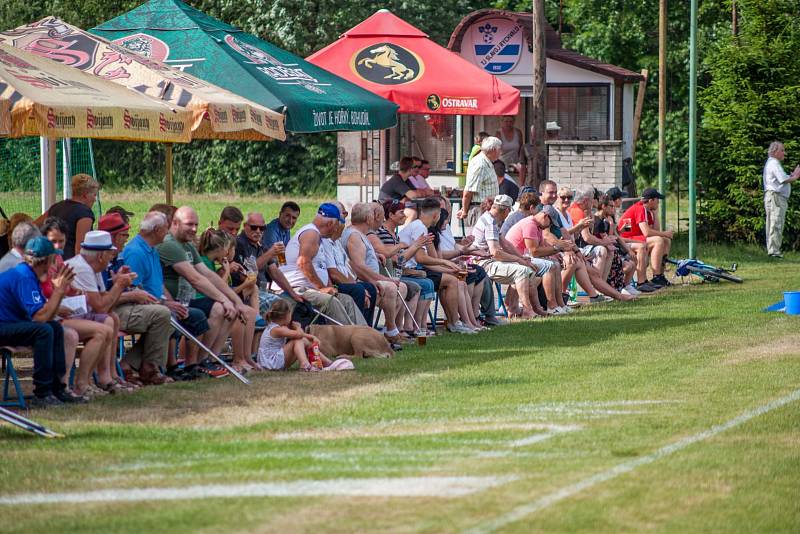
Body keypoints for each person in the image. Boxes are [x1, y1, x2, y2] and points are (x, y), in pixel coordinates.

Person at [158, 206, 250, 373]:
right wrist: (224, 300)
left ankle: (208, 360)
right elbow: (196, 279)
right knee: (218, 307)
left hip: (186, 300)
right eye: (189, 224)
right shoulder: (170, 244)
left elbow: (209, 275)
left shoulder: (187, 246)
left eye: (196, 225)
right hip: (170, 302)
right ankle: (198, 362)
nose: (194, 229)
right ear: (175, 223)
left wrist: (235, 301)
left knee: (228, 309)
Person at [121, 211, 209, 382]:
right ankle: (151, 368)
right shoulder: (135, 252)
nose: (168, 233)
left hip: (153, 304)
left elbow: (157, 284)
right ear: (156, 230)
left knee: (173, 315)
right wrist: (165, 304)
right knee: (165, 316)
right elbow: (134, 289)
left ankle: (130, 364)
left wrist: (169, 302)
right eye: (165, 229)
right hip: (133, 306)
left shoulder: (152, 250)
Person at [0, 237, 80, 406]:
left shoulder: (30, 274)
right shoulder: (24, 276)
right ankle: (42, 393)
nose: (54, 264)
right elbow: (40, 317)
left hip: (10, 324)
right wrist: (59, 290)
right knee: (44, 330)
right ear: (45, 260)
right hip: (3, 327)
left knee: (55, 327)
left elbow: (46, 315)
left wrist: (60, 291)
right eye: (53, 259)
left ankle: (57, 388)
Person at [66, 231, 142, 393]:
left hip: (79, 314)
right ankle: (83, 383)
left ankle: (106, 377)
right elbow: (101, 306)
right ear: (100, 255)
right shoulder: (82, 268)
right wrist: (119, 286)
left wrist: (117, 284)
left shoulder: (93, 268)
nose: (111, 258)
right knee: (104, 325)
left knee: (111, 318)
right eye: (110, 253)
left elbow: (105, 305)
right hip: (66, 316)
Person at [280, 203, 367, 326]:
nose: (337, 230)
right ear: (330, 224)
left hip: (310, 289)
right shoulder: (311, 233)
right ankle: (351, 339)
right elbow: (303, 262)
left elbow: (319, 267)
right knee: (331, 302)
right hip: (298, 288)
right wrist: (321, 288)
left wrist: (330, 287)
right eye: (338, 225)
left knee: (347, 300)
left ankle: (365, 336)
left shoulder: (317, 236)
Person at [399, 198, 473, 334]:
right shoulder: (420, 227)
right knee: (451, 280)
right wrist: (446, 263)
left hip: (414, 270)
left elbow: (428, 259)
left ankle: (457, 322)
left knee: (452, 279)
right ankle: (454, 322)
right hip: (407, 271)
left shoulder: (420, 226)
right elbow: (421, 259)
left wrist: (449, 266)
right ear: (436, 215)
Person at [344, 203, 409, 344]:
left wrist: (375, 254)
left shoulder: (360, 234)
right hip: (361, 282)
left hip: (367, 279)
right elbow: (358, 267)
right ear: (368, 218)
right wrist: (383, 278)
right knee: (392, 287)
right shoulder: (354, 236)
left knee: (402, 287)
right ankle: (391, 331)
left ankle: (389, 329)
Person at [471, 195, 543, 318]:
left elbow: (505, 243)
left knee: (525, 269)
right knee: (522, 271)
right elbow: (495, 252)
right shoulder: (490, 223)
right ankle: (527, 310)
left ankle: (516, 306)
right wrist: (518, 259)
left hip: (486, 261)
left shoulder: (490, 219)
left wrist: (521, 258)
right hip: (483, 263)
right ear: (506, 211)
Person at [370, 200, 434, 335]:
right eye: (401, 212)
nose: (405, 215)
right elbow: (396, 260)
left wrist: (414, 246)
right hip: (386, 275)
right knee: (418, 285)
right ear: (391, 215)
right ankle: (401, 328)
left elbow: (400, 261)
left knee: (421, 285)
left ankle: (406, 327)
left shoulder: (394, 235)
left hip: (396, 274)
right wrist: (416, 246)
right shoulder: (382, 233)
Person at [505, 208, 572, 314]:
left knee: (555, 264)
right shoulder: (530, 224)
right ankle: (552, 305)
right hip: (514, 259)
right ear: (545, 216)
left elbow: (541, 248)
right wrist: (557, 248)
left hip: (522, 257)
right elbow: (534, 251)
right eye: (550, 223)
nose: (549, 227)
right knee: (550, 266)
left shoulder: (537, 225)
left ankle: (560, 304)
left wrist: (556, 253)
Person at [320, 214, 377, 329]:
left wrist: (359, 283)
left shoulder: (337, 243)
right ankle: (356, 331)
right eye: (342, 227)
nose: (343, 230)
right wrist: (356, 286)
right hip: (335, 283)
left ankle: (368, 330)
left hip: (344, 280)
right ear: (336, 227)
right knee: (359, 290)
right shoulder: (326, 243)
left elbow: (348, 267)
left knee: (370, 288)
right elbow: (334, 273)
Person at [618, 188, 672, 290]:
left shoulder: (647, 211)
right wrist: (665, 233)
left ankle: (660, 274)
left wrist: (655, 214)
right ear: (651, 200)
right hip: (626, 240)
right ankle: (655, 277)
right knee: (659, 240)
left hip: (634, 238)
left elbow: (655, 230)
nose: (659, 202)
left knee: (665, 240)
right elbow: (647, 232)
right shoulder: (640, 208)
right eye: (657, 200)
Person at [258, 299, 332, 371]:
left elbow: (299, 335)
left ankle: (326, 362)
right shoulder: (277, 330)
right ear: (287, 315)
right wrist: (298, 327)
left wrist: (311, 337)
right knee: (297, 340)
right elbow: (299, 335)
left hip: (271, 361)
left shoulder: (278, 327)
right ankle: (305, 364)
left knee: (302, 340)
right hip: (271, 363)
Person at [37, 173, 99, 259]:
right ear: (85, 195)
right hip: (69, 265)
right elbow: (80, 249)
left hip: (50, 262)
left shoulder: (56, 207)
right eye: (94, 195)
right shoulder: (85, 214)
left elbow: (34, 226)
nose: (95, 199)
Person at [763, 141, 800, 258]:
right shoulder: (774, 163)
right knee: (776, 223)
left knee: (774, 222)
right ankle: (774, 252)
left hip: (775, 197)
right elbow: (782, 179)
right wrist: (795, 176)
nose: (784, 153)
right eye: (782, 150)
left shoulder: (773, 163)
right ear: (775, 151)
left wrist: (792, 176)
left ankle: (773, 250)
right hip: (776, 197)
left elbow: (782, 178)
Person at [457, 136, 502, 227]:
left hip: (486, 209)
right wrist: (465, 211)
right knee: (479, 240)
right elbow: (468, 191)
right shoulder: (480, 164)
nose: (500, 153)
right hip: (479, 210)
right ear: (493, 150)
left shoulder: (487, 162)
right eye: (499, 150)